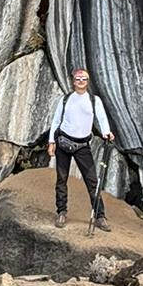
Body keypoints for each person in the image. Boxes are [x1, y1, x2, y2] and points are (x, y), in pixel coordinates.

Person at [48, 67, 115, 230]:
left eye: (84, 78)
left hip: (82, 146)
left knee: (93, 181)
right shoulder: (65, 99)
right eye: (78, 78)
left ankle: (100, 216)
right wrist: (51, 142)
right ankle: (61, 212)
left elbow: (102, 118)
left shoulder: (94, 100)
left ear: (88, 81)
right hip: (63, 142)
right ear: (73, 81)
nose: (81, 81)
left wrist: (107, 132)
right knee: (61, 180)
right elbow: (56, 121)